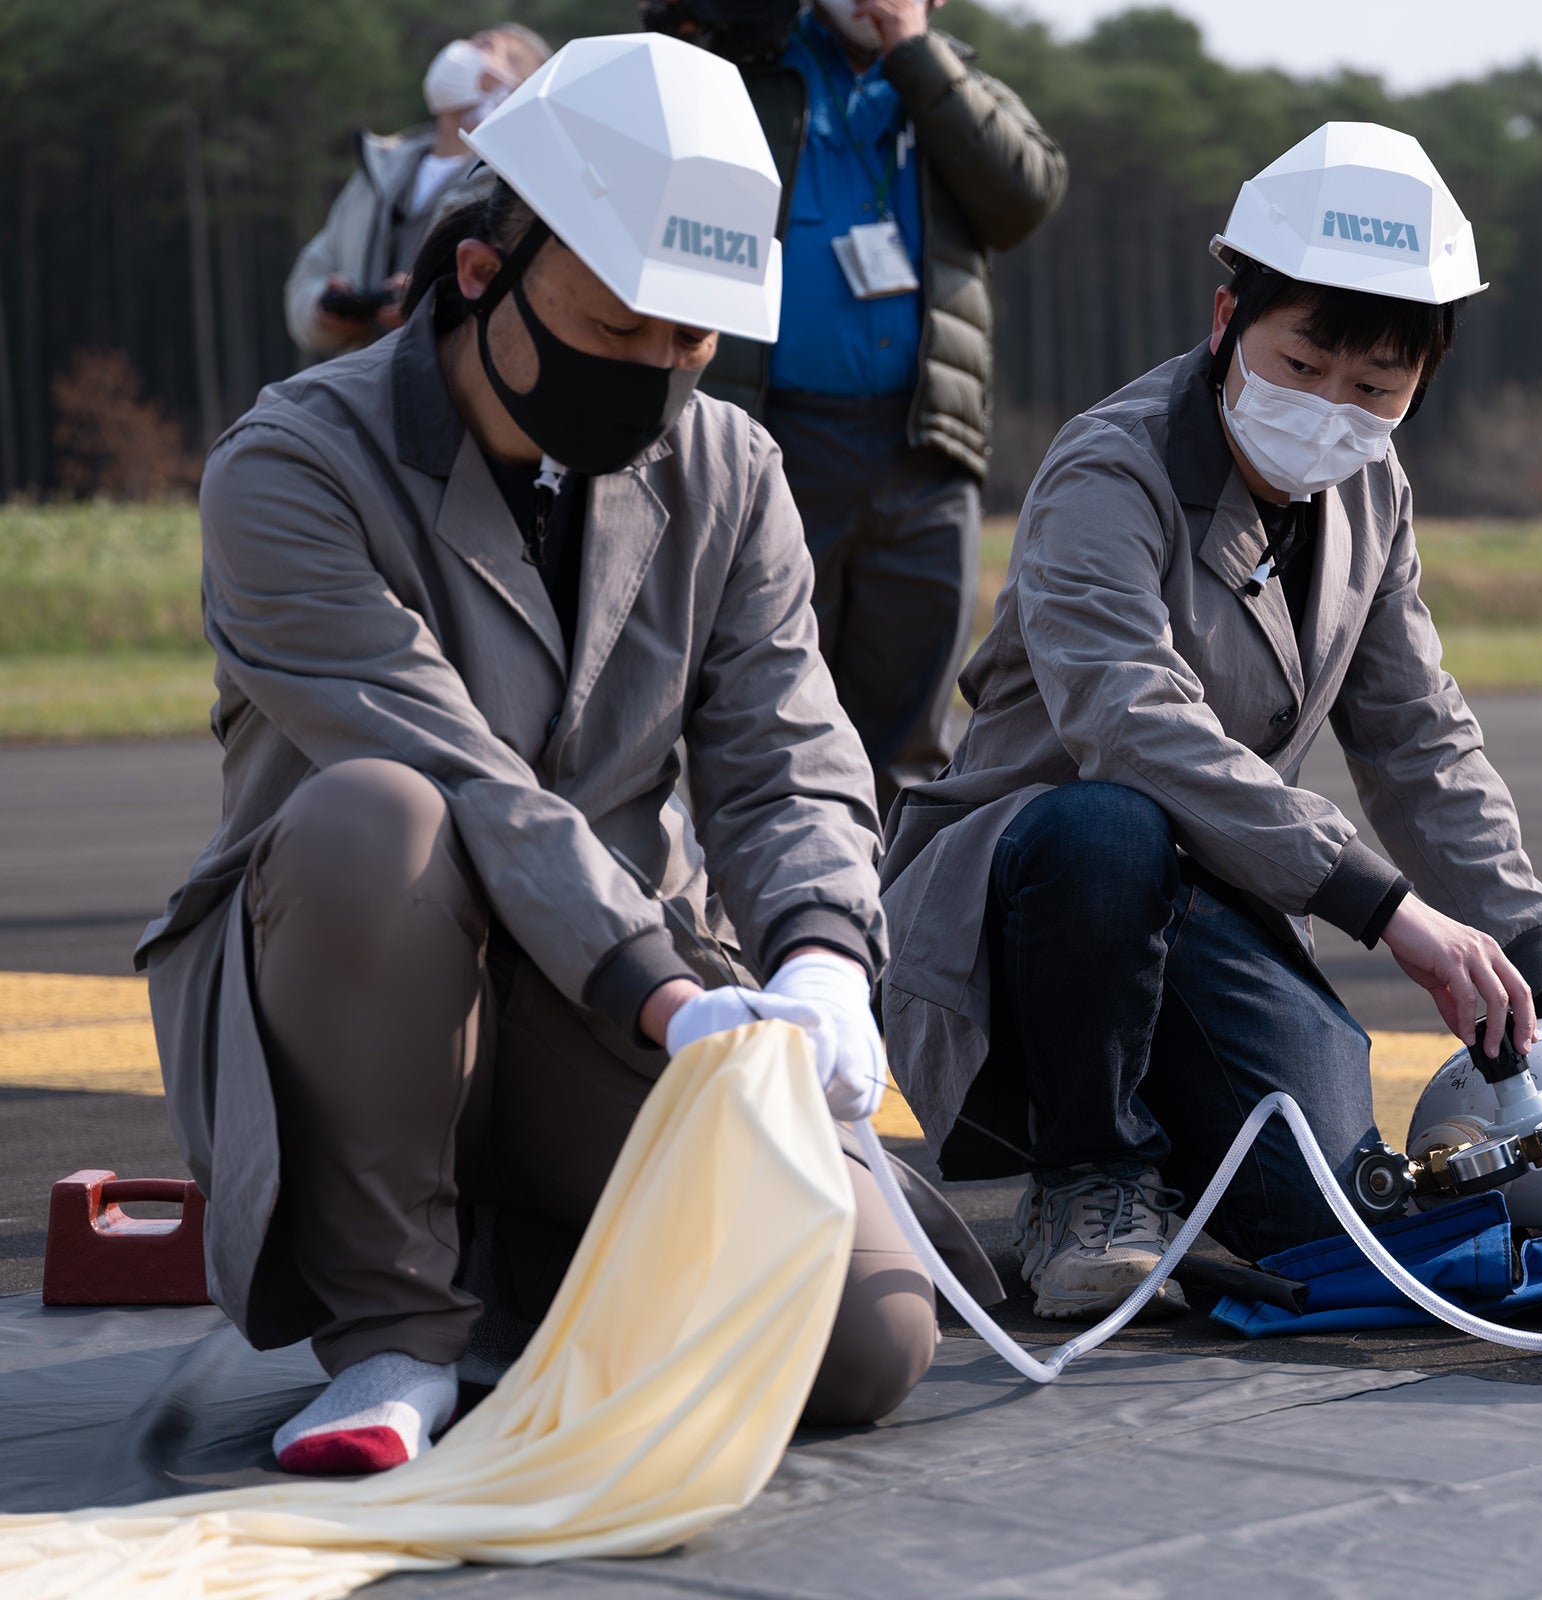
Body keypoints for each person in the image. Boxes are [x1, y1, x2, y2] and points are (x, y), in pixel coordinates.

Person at [140, 35, 996, 1478]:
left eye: (694, 343)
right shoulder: (293, 469)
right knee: (379, 819)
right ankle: (396, 1329)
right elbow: (463, 774)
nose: (656, 376)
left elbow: (788, 751)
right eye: (620, 329)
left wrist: (818, 955)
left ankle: (531, 1266)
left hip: (607, 995)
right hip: (372, 986)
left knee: (861, 1343)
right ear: (485, 274)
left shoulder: (732, 471)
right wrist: (663, 993)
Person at [877, 124, 1542, 1322]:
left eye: (1375, 387)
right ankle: (1087, 1178)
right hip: (1032, 900)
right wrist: (1388, 908)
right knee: (1106, 823)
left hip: (1206, 899)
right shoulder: (1107, 470)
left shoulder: (1373, 493)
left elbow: (1419, 737)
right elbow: (1130, 720)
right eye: (1303, 362)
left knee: (1324, 1213)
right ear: (1229, 315)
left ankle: (1172, 1153)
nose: (1332, 408)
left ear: (1421, 382)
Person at [648, 0, 1067, 814]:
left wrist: (915, 52)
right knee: (755, 702)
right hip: (771, 436)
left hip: (924, 447)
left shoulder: (953, 80)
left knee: (907, 732)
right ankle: (752, 889)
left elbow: (1024, 196)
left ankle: (889, 893)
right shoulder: (748, 63)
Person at [284, 26, 550, 364]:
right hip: (359, 380)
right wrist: (322, 309)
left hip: (451, 385)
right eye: (473, 42)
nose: (464, 51)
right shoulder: (378, 169)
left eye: (490, 48)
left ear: (517, 89)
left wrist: (432, 309)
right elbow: (309, 275)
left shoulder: (514, 186)